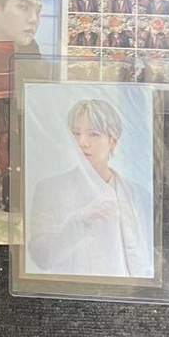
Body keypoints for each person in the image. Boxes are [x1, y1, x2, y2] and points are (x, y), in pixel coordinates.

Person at [27, 98, 153, 277]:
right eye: (76, 133)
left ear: (113, 141)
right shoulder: (51, 190)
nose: (82, 142)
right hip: (70, 291)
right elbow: (42, 257)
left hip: (124, 291)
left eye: (93, 134)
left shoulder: (138, 195)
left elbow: (147, 261)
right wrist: (79, 221)